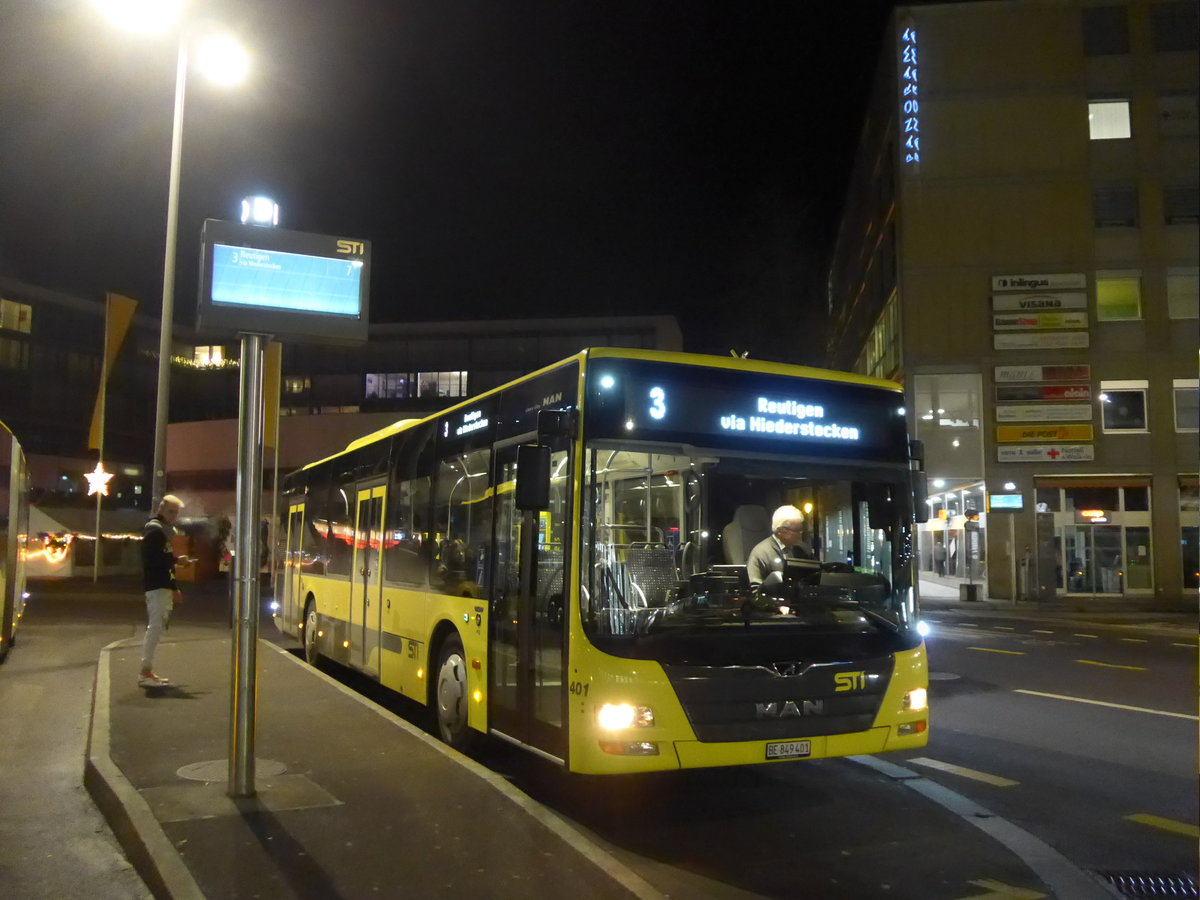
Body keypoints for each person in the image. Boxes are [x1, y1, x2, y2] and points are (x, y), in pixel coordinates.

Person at [139, 494, 184, 687]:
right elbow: (156, 561)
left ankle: (147, 671)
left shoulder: (158, 531)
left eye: (176, 512)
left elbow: (161, 559)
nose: (174, 516)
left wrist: (175, 560)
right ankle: (145, 673)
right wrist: (173, 586)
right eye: (171, 511)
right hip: (158, 586)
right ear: (161, 510)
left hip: (158, 585)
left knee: (156, 627)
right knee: (155, 628)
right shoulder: (156, 532)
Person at [746, 504, 815, 586]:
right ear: (780, 530)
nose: (800, 534)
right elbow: (754, 589)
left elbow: (813, 579)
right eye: (796, 530)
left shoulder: (804, 550)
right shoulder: (761, 553)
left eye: (801, 529)